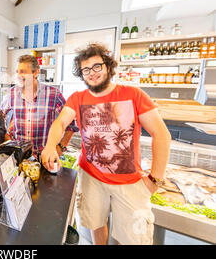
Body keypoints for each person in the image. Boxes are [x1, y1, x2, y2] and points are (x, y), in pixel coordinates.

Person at [40, 43, 171, 245]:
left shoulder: (133, 94)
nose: (92, 73)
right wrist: (50, 146)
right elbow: (61, 122)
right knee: (95, 224)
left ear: (108, 66)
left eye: (97, 66)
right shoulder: (78, 98)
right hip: (91, 178)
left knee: (133, 239)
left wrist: (155, 179)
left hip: (129, 182)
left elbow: (161, 134)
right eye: (85, 70)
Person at [1, 54, 76, 158]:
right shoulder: (11, 93)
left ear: (36, 72)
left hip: (43, 157)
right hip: (17, 156)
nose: (18, 75)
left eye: (23, 72)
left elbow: (71, 124)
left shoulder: (53, 94)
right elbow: (0, 117)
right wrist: (7, 136)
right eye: (17, 72)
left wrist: (61, 147)